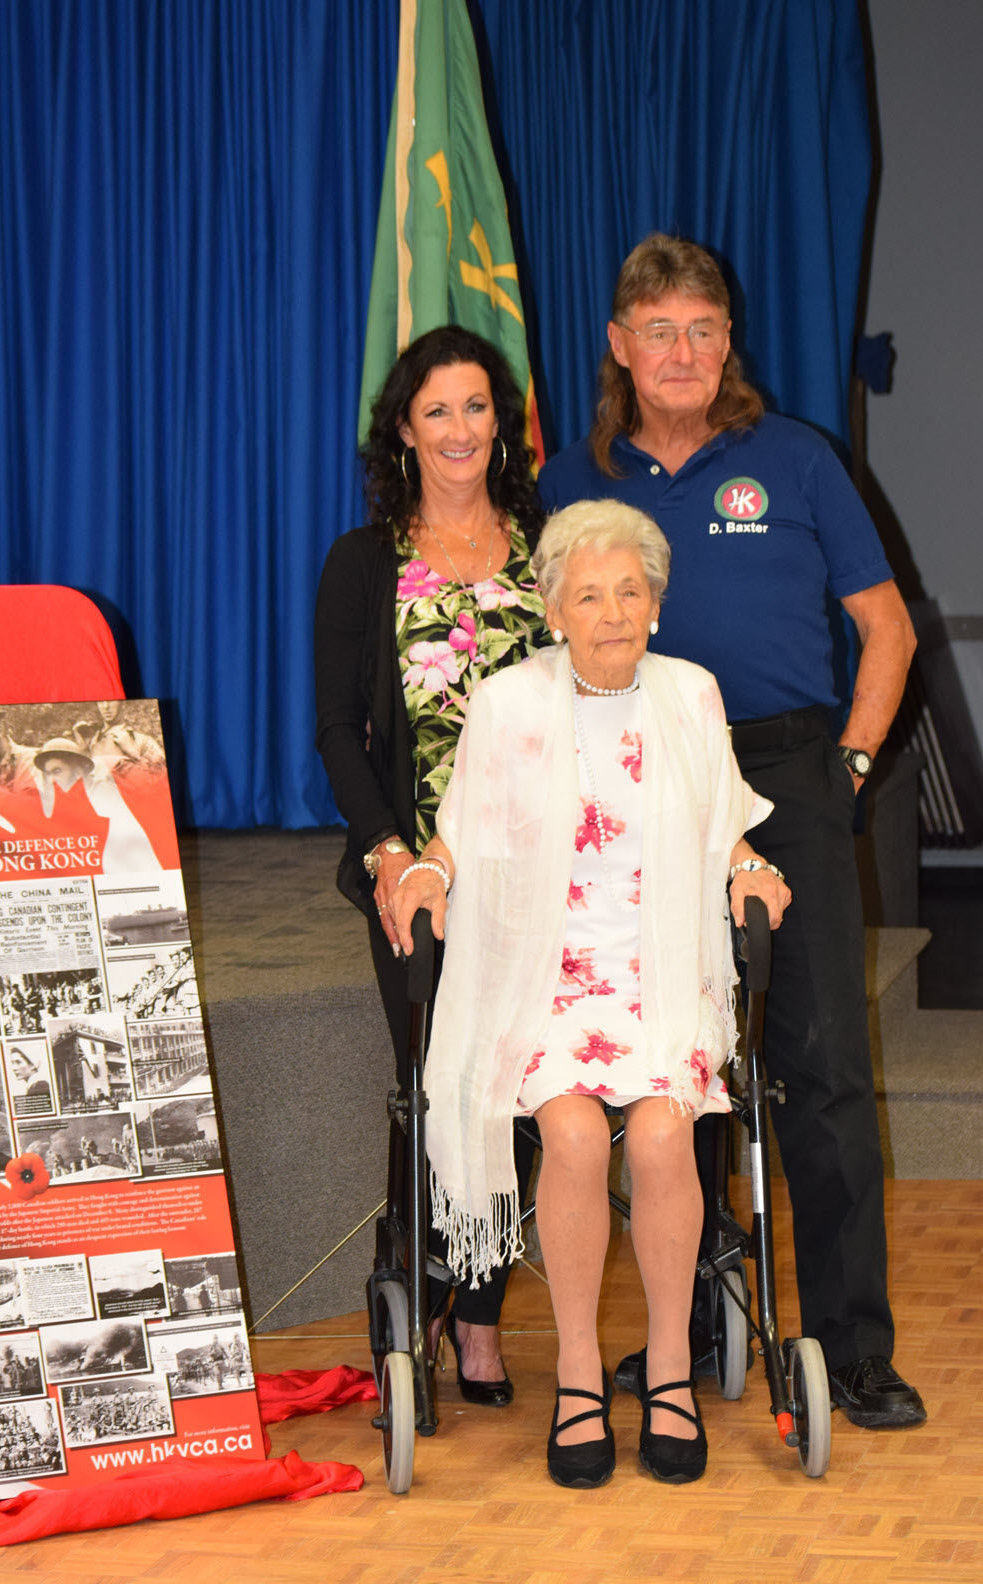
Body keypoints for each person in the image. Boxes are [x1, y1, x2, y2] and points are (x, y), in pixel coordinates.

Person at [538, 233, 923, 1430]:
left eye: (704, 329)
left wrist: (846, 770)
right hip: (635, 778)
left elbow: (889, 628)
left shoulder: (795, 459)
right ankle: (693, 1327)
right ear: (620, 346)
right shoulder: (574, 481)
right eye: (660, 330)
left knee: (821, 1069)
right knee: (673, 1068)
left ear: (728, 342)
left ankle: (852, 1347)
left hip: (789, 773)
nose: (684, 352)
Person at [392, 500, 788, 1486]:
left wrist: (749, 869)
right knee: (570, 1134)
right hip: (547, 983)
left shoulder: (690, 694)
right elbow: (463, 829)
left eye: (629, 592)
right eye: (588, 595)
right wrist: (428, 874)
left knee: (660, 1133)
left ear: (656, 601)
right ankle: (576, 1369)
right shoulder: (508, 703)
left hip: (660, 979)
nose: (611, 612)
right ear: (554, 607)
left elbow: (721, 824)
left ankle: (665, 1369)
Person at [314, 324, 547, 1405]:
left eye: (478, 407)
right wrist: (393, 859)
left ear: (502, 424)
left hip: (541, 869)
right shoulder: (365, 562)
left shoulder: (547, 543)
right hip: (417, 874)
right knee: (432, 1083)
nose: (461, 429)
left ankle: (485, 1315)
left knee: (518, 1085)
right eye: (437, 410)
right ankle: (417, 1297)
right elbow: (336, 732)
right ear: (404, 431)